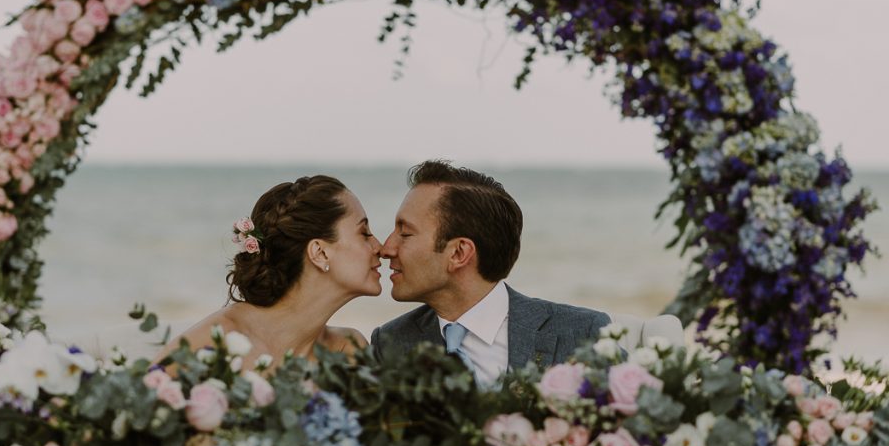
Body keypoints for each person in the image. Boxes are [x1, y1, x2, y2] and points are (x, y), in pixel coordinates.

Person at [371, 160, 609, 389]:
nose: (386, 248)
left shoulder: (582, 333)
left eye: (405, 233)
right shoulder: (390, 343)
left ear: (459, 253)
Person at [154, 175, 383, 369]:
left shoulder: (348, 350)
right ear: (319, 253)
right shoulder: (219, 341)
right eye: (364, 233)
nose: (380, 247)